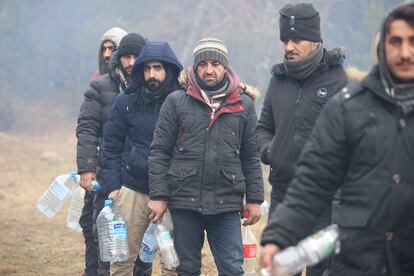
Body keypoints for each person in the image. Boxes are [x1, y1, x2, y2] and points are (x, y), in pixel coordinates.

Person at [261, 3, 414, 276]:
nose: (405, 52)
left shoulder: (338, 83)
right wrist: (279, 235)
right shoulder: (351, 106)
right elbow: (313, 179)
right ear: (382, 48)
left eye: (413, 41)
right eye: (396, 41)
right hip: (362, 256)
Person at [148, 37, 264, 276]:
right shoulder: (176, 101)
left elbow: (251, 156)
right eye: (202, 64)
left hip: (226, 203)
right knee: (186, 269)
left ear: (225, 66)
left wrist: (254, 198)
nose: (209, 70)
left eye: (215, 64)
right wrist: (158, 195)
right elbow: (159, 151)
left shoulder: (243, 105)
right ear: (195, 67)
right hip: (183, 202)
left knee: (232, 269)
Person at [102, 41, 183, 276]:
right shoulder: (126, 101)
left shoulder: (182, 101)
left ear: (169, 69)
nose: (152, 75)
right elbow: (112, 145)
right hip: (132, 189)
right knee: (121, 259)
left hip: (172, 193)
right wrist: (114, 186)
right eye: (146, 69)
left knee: (172, 263)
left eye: (157, 68)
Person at [76, 32, 146, 276]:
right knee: (103, 238)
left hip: (141, 176)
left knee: (142, 249)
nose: (129, 62)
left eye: (112, 49)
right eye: (124, 56)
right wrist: (87, 167)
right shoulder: (100, 86)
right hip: (108, 172)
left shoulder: (153, 87)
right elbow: (87, 127)